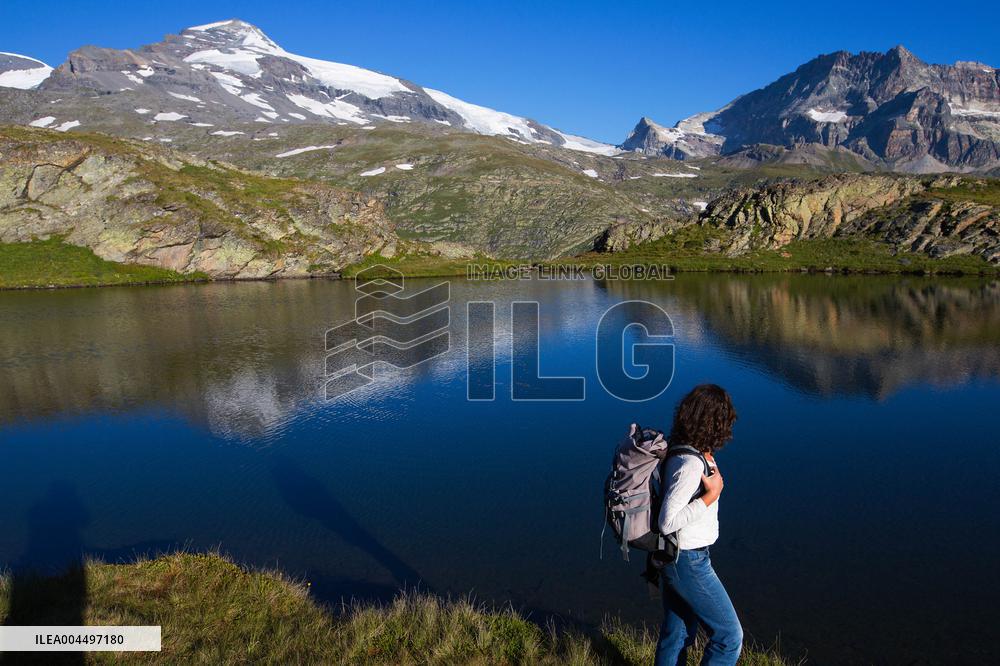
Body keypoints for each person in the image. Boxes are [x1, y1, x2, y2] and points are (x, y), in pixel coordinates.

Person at [654, 384, 743, 666]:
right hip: (688, 561)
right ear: (714, 424)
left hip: (678, 558)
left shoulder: (685, 451)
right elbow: (667, 522)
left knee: (677, 634)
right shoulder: (689, 464)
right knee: (729, 637)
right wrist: (711, 495)